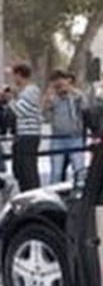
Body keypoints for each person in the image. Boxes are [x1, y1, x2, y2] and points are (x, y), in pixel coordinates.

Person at [42, 70, 87, 184]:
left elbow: (85, 108)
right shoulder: (53, 97)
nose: (60, 88)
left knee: (79, 170)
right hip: (57, 138)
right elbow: (45, 116)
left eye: (61, 84)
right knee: (56, 172)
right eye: (57, 85)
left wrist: (71, 92)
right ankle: (55, 191)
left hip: (75, 137)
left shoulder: (76, 95)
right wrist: (48, 101)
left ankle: (80, 191)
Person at [10, 64, 42, 192]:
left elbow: (20, 111)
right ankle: (25, 192)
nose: (13, 79)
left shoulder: (31, 91)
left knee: (28, 169)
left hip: (29, 135)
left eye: (14, 76)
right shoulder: (24, 92)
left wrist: (10, 100)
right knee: (20, 169)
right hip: (22, 135)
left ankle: (33, 193)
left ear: (19, 74)